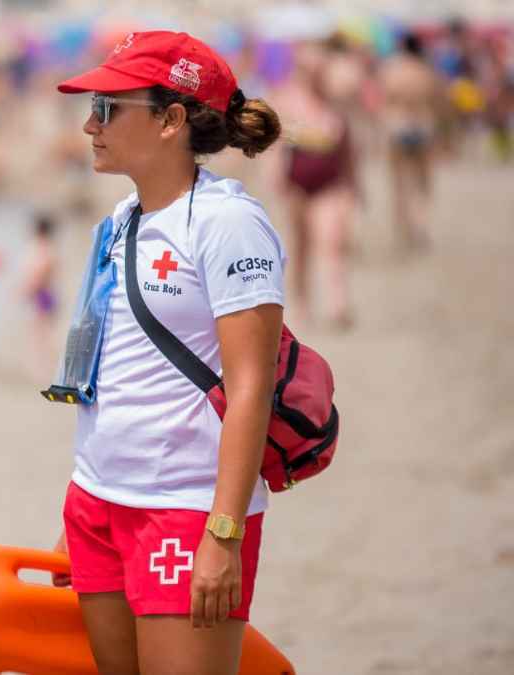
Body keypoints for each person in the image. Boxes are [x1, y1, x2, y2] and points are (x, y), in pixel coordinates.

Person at [49, 31, 285, 675]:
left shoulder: (227, 222)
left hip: (186, 506)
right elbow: (113, 368)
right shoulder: (122, 218)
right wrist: (82, 505)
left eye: (108, 108)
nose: (90, 125)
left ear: (171, 119)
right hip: (97, 502)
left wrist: (224, 532)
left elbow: (251, 386)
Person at [271, 39, 359, 328]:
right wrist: (277, 176)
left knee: (332, 241)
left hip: (329, 184)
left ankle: (338, 303)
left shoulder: (337, 101)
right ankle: (302, 304)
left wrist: (353, 187)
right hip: (297, 184)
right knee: (300, 247)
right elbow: (277, 144)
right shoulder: (286, 100)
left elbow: (348, 148)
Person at [379, 34, 443, 252]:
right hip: (423, 126)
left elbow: (386, 100)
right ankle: (421, 224)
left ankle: (404, 228)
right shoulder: (426, 72)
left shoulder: (393, 71)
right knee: (422, 183)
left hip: (398, 126)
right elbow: (437, 102)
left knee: (399, 183)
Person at [20, 211, 59, 379]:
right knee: (43, 332)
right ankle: (44, 366)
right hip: (46, 293)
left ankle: (43, 367)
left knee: (41, 333)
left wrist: (25, 290)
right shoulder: (49, 248)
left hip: (41, 294)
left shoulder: (42, 249)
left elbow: (39, 273)